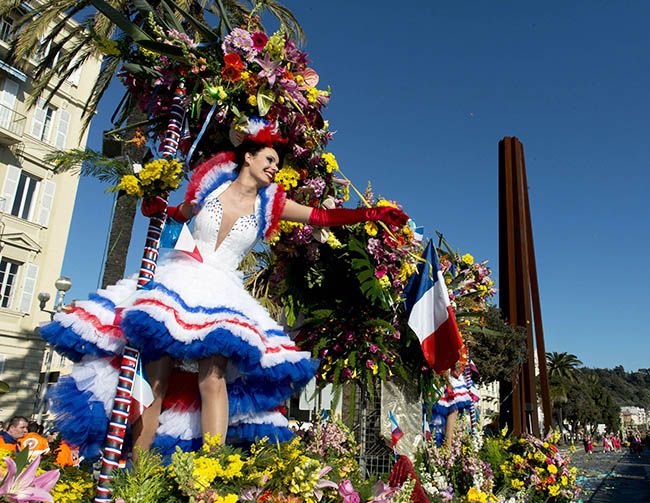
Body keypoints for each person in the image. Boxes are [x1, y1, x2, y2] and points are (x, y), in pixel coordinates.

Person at [40, 118, 409, 460]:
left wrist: (371, 214)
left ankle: (209, 474)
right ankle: (138, 473)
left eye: (277, 163)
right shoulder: (210, 184)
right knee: (155, 379)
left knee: (213, 378)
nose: (273, 167)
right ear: (248, 156)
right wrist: (155, 206)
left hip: (221, 292)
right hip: (176, 282)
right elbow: (178, 214)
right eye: (268, 159)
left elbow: (321, 217)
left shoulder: (271, 203)